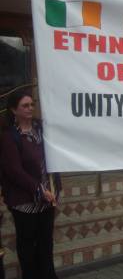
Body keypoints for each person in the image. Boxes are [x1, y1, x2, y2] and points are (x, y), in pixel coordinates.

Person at [0, 89, 60, 279]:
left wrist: (54, 189)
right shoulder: (9, 136)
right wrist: (39, 190)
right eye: (25, 106)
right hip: (24, 201)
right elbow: (14, 170)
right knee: (28, 247)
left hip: (48, 199)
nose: (30, 108)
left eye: (32, 105)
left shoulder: (42, 129)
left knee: (45, 244)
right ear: (13, 110)